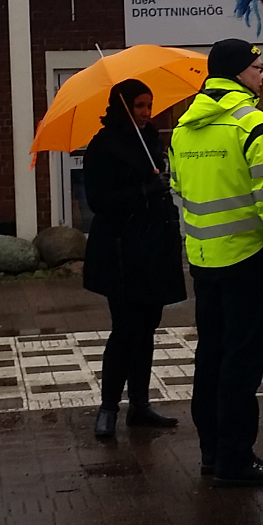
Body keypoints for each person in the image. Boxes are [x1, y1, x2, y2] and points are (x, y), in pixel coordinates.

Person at [169, 39, 263, 487]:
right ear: (237, 73)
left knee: (210, 355)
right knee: (242, 361)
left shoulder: (183, 128)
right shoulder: (255, 125)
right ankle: (236, 457)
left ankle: (212, 452)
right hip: (246, 258)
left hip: (203, 259)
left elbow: (180, 190)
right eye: (257, 67)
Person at [83, 79, 187, 439]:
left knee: (147, 328)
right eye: (139, 105)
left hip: (154, 248)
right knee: (125, 329)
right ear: (123, 106)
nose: (145, 113)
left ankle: (140, 404)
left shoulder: (151, 141)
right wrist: (145, 190)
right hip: (122, 252)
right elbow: (99, 200)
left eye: (149, 105)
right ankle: (108, 406)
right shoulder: (103, 146)